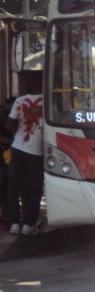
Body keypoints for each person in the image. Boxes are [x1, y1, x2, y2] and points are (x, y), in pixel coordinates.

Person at [6, 83, 44, 236]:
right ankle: (29, 224)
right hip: (35, 152)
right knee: (35, 189)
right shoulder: (47, 101)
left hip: (17, 148)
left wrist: (19, 130)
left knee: (13, 187)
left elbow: (9, 125)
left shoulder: (20, 101)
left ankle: (14, 223)